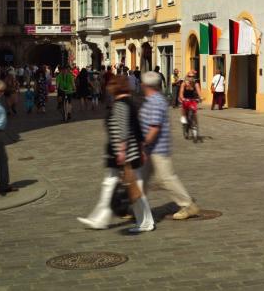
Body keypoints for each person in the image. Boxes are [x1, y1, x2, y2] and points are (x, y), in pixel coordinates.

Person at [77, 75, 154, 233]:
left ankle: (146, 222)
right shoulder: (130, 103)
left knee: (133, 190)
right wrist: (140, 148)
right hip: (128, 152)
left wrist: (121, 151)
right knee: (111, 186)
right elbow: (138, 129)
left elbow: (124, 130)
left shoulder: (121, 104)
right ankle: (99, 219)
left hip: (124, 154)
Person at [139, 71, 200, 219]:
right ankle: (135, 207)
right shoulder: (153, 99)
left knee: (166, 178)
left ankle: (187, 205)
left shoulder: (155, 101)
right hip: (151, 148)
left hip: (157, 148)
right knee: (141, 178)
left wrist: (142, 143)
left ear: (146, 86)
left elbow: (154, 127)